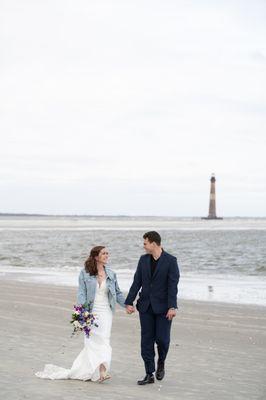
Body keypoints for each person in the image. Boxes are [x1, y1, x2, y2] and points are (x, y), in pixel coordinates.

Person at [35, 245, 125, 382]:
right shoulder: (85, 273)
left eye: (107, 253)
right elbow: (82, 293)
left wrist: (127, 305)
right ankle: (100, 371)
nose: (107, 255)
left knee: (104, 339)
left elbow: (117, 293)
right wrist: (81, 312)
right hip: (91, 311)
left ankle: (102, 371)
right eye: (104, 253)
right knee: (92, 341)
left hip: (106, 311)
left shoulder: (111, 274)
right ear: (96, 256)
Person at [125, 231, 180, 385]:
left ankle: (161, 362)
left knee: (162, 339)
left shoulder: (171, 261)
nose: (143, 246)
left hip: (164, 308)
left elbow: (172, 286)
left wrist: (172, 307)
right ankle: (149, 373)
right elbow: (137, 282)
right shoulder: (143, 260)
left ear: (153, 243)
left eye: (145, 243)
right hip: (146, 307)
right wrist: (129, 302)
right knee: (146, 342)